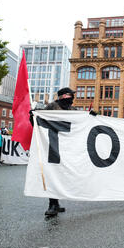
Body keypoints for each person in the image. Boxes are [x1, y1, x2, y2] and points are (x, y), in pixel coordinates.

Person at [35, 87, 77, 216]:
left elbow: (80, 121)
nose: (72, 97)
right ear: (63, 96)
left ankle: (56, 203)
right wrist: (34, 114)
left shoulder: (72, 109)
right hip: (53, 145)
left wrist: (91, 116)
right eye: (70, 95)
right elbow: (41, 119)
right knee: (52, 173)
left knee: (61, 174)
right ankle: (52, 204)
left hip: (67, 147)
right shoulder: (52, 106)